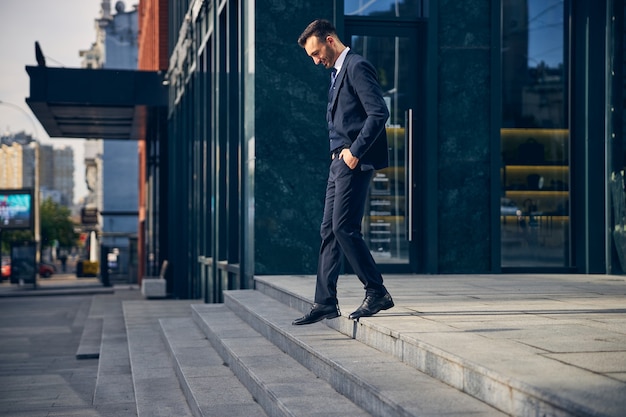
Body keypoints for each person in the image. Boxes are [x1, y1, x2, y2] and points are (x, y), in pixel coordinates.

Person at [293, 19, 394, 325]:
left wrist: (354, 152)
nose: (315, 60)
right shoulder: (337, 73)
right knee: (328, 231)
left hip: (353, 161)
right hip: (338, 162)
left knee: (344, 228)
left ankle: (376, 291)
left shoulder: (356, 66)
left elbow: (379, 113)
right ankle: (325, 302)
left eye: (316, 52)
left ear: (329, 39)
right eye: (311, 56)